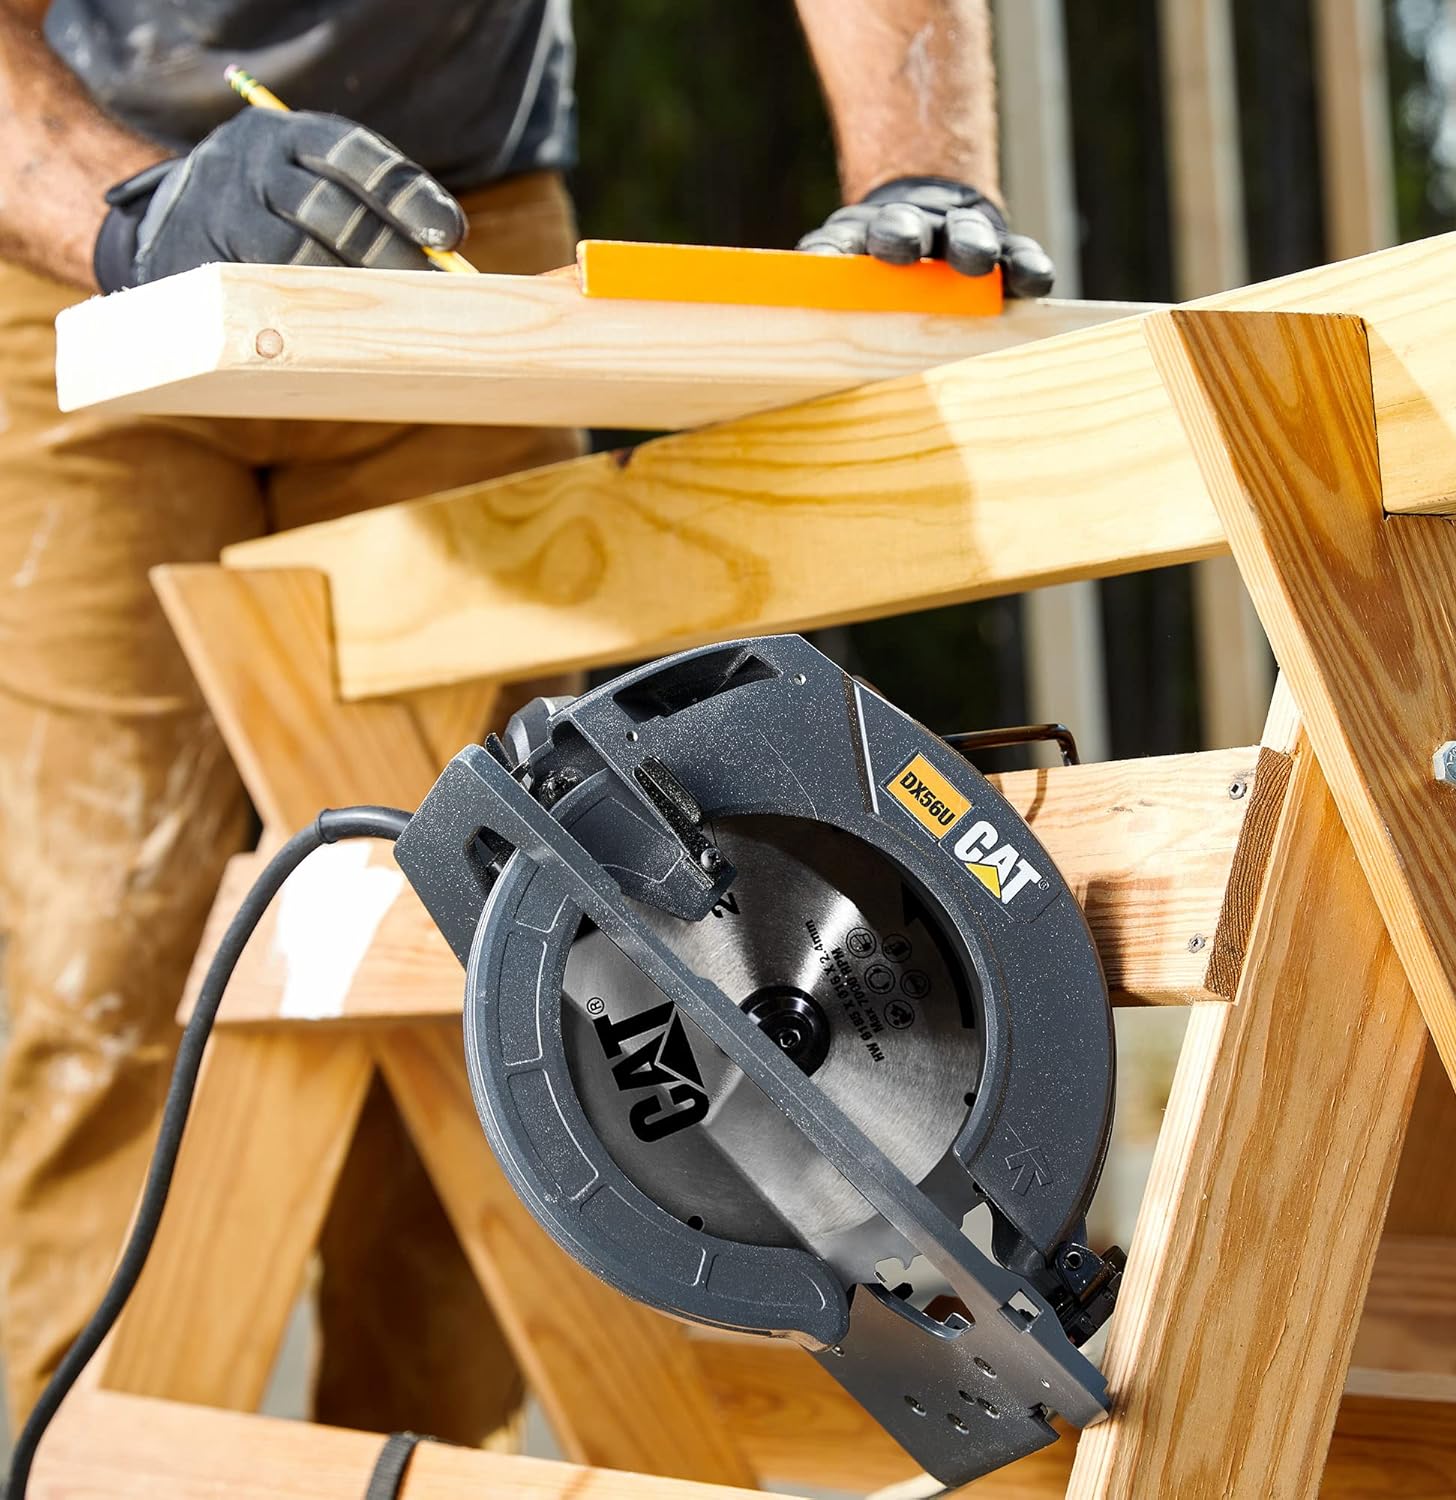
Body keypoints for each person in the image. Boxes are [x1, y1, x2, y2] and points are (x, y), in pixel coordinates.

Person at [0, 0, 1052, 1446]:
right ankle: (83, 1460)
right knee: (100, 962)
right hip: (72, 245)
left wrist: (915, 173)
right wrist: (128, 210)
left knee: (514, 948)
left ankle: (425, 1460)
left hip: (443, 233)